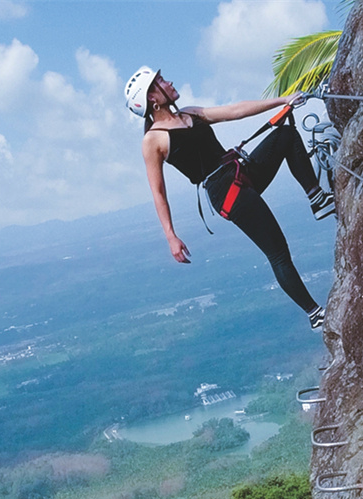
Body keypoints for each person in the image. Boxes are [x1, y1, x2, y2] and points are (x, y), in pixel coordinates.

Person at [124, 66, 333, 331]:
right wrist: (171, 236)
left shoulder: (190, 113)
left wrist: (283, 101)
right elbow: (158, 192)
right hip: (225, 192)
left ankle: (317, 199)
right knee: (278, 252)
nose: (169, 81)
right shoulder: (153, 140)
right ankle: (314, 314)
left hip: (240, 170)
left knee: (286, 135)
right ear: (151, 98)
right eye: (161, 81)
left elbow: (235, 111)